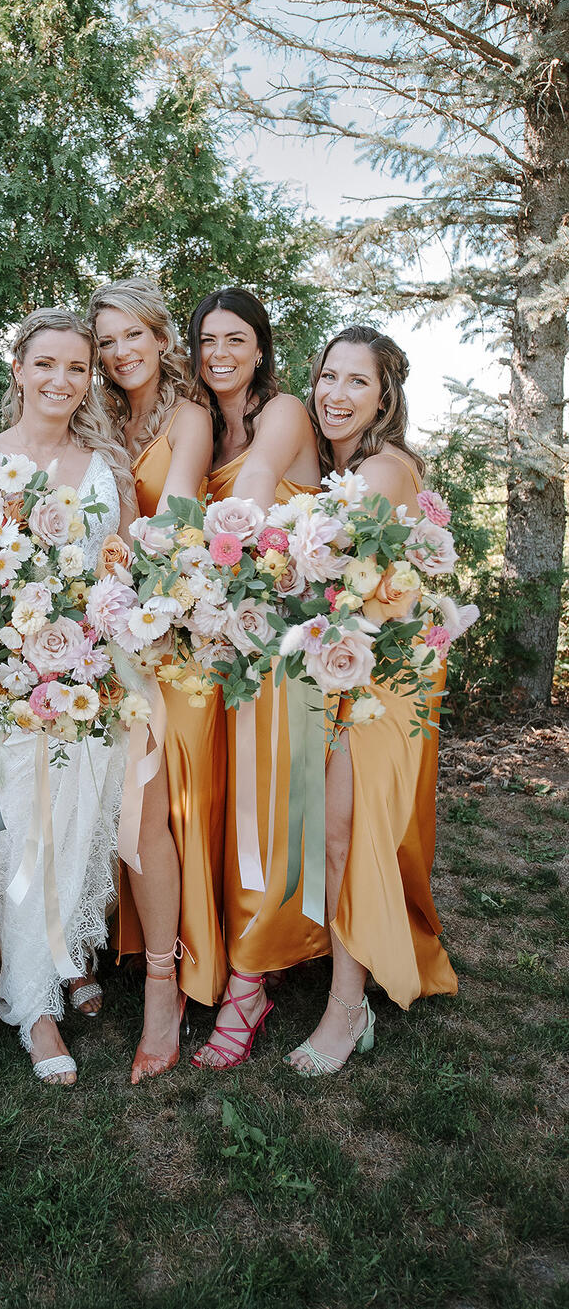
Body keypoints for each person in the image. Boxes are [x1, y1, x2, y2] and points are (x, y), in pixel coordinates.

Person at [0, 308, 134, 1086]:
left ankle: (62, 952)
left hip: (86, 672)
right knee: (23, 828)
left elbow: (113, 571)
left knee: (76, 819)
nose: (61, 381)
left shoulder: (100, 463)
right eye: (47, 364)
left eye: (77, 368)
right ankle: (30, 1005)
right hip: (9, 680)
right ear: (19, 367)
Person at [285, 324, 457, 1074]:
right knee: (332, 829)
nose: (335, 393)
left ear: (385, 394)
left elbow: (332, 570)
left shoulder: (384, 470)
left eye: (356, 380)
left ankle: (345, 1008)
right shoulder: (342, 464)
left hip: (381, 680)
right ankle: (344, 977)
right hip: (345, 668)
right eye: (327, 376)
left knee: (342, 829)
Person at [87, 278, 224, 1080]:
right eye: (106, 341)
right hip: (110, 633)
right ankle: (127, 954)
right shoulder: (101, 419)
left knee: (156, 811)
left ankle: (167, 987)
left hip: (170, 639)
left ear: (161, 336)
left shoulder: (188, 417)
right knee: (126, 810)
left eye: (131, 334)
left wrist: (110, 566)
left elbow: (174, 515)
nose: (119, 351)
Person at [189, 287, 330, 1069]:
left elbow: (257, 487)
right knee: (221, 802)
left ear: (261, 346)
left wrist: (207, 561)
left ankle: (250, 980)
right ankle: (219, 948)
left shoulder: (280, 414)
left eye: (234, 338)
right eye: (206, 338)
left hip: (280, 636)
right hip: (222, 631)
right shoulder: (205, 424)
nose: (219, 353)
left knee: (262, 808)